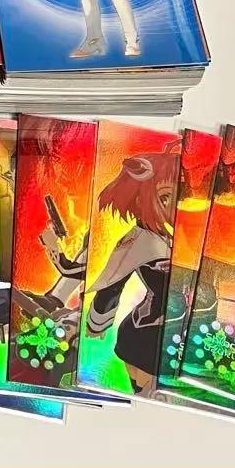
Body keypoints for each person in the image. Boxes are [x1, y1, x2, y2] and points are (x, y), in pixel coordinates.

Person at [84, 152, 178, 394]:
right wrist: (96, 323)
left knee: (149, 398)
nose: (176, 204)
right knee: (150, 399)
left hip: (166, 335)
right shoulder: (139, 241)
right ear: (140, 200)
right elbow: (113, 283)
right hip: (146, 337)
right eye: (165, 197)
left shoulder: (170, 236)